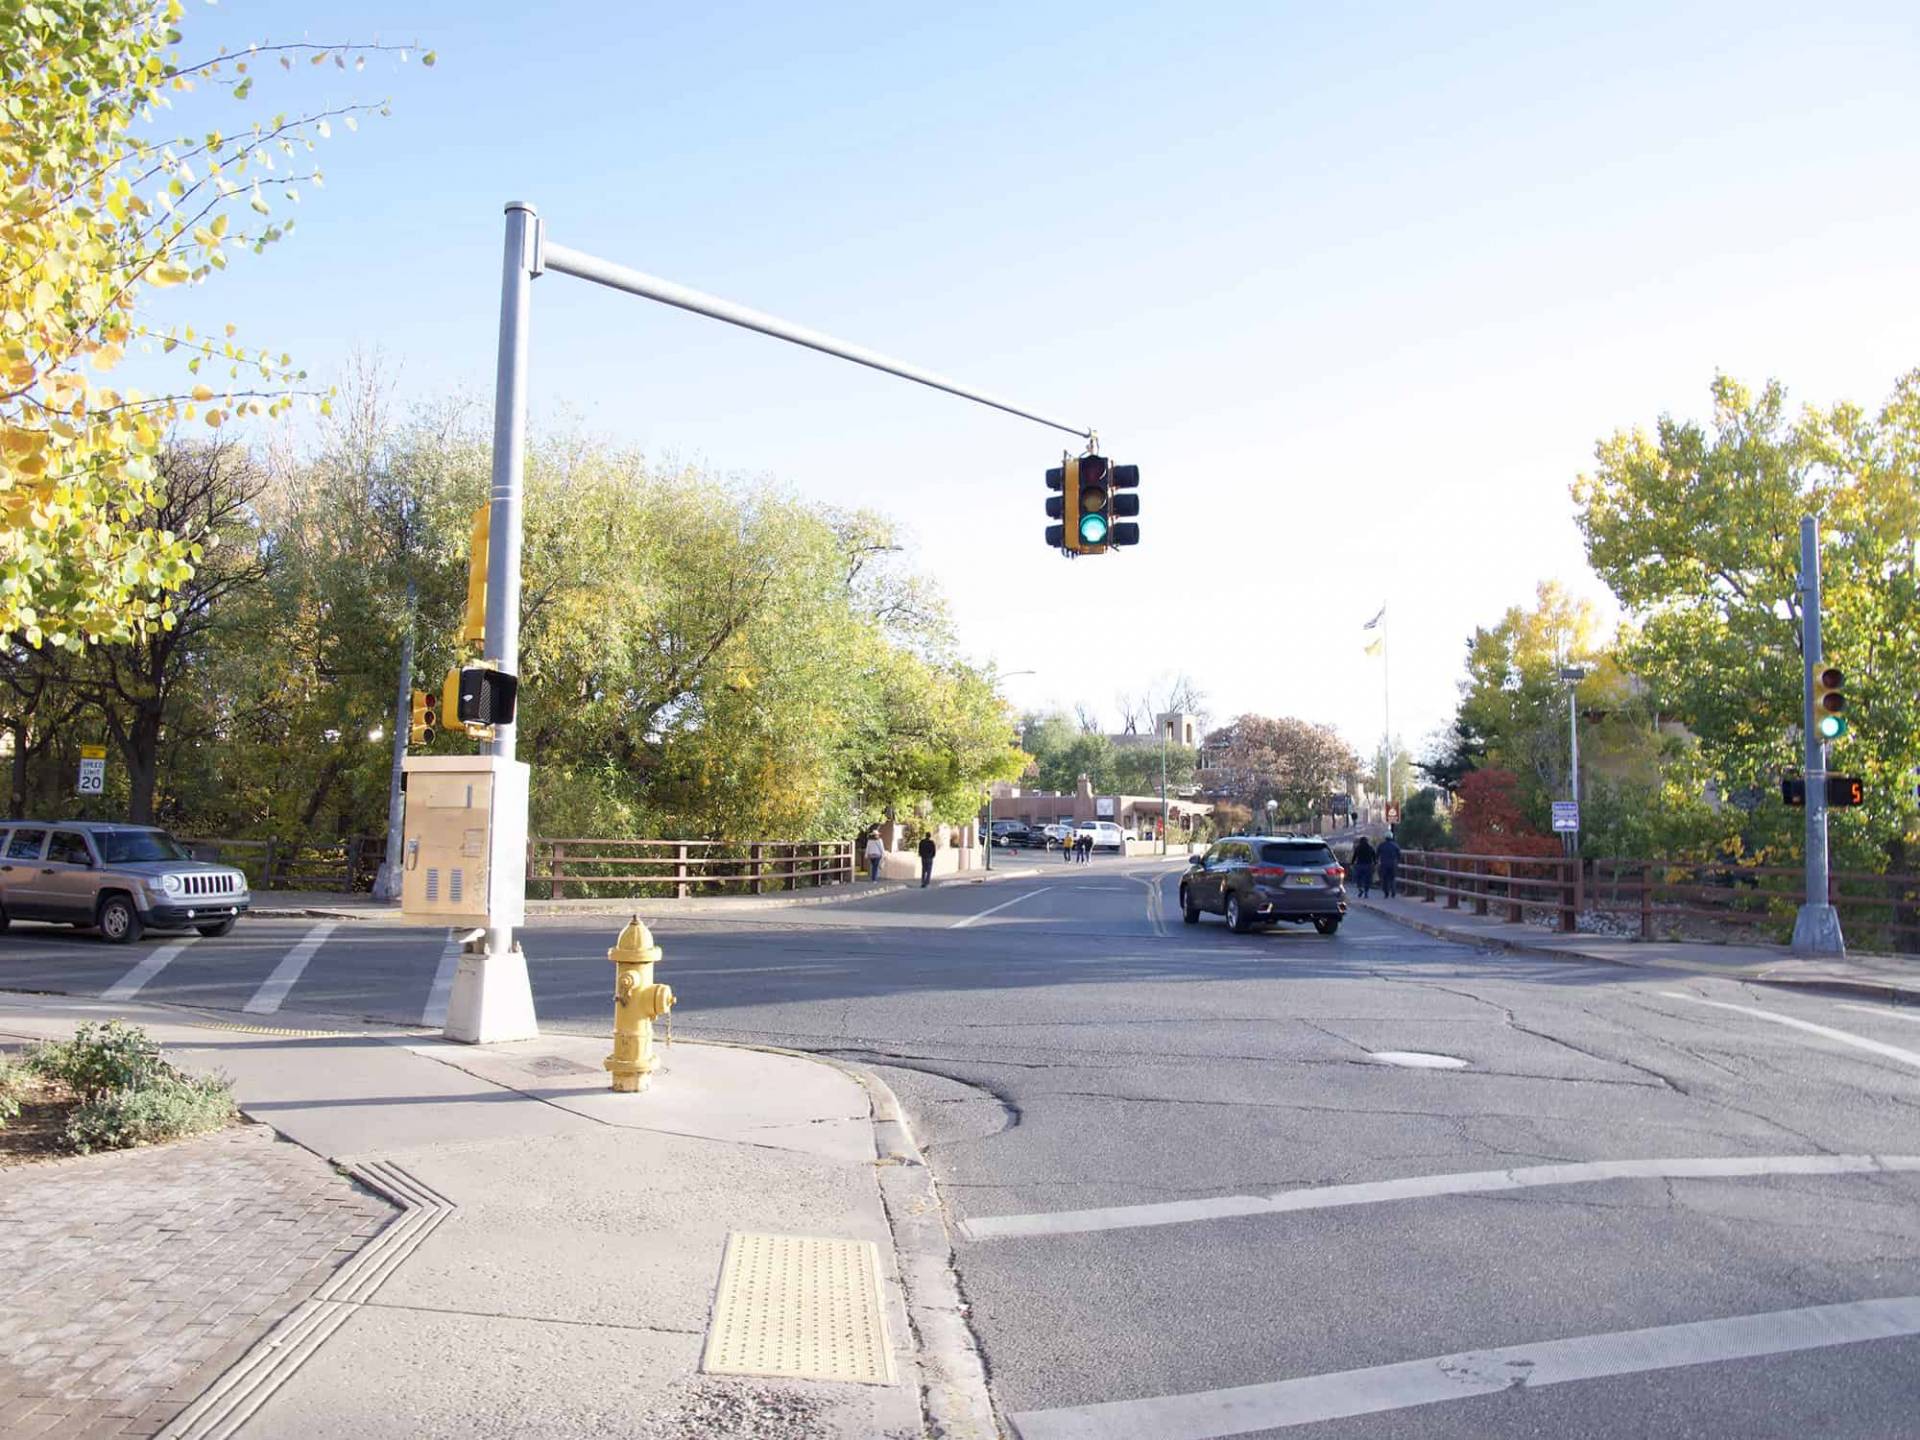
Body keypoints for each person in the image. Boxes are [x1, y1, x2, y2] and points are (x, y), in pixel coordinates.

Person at [1376, 831, 1402, 899]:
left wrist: (1377, 861)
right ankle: (1393, 891)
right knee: (1392, 878)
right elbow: (1399, 855)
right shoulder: (1395, 845)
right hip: (1393, 864)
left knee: (1385, 879)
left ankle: (1386, 893)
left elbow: (1377, 854)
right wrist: (1398, 861)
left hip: (1384, 864)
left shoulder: (1382, 845)